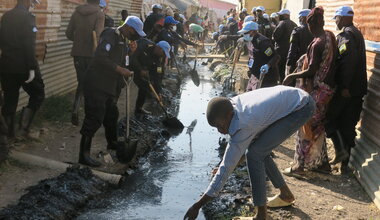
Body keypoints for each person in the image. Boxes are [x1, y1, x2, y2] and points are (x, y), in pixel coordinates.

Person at [184, 85, 316, 220]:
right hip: (292, 99)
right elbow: (235, 156)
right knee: (258, 150)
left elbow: (226, 168)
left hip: (301, 107)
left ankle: (261, 216)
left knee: (255, 154)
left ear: (229, 115)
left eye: (220, 126)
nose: (220, 131)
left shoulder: (244, 122)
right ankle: (286, 195)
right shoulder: (232, 107)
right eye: (216, 127)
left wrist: (198, 205)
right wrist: (229, 165)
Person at [79, 16, 145, 167]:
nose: (135, 36)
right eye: (135, 32)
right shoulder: (110, 34)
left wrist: (131, 52)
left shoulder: (123, 40)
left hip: (108, 85)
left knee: (111, 114)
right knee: (94, 117)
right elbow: (100, 57)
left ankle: (112, 142)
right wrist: (120, 69)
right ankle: (83, 155)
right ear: (128, 28)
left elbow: (123, 61)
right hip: (96, 83)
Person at [283, 6, 337, 175]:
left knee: (303, 126)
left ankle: (298, 166)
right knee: (318, 128)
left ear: (311, 24)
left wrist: (291, 75)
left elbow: (312, 70)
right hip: (327, 91)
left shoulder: (317, 43)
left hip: (316, 92)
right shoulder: (329, 36)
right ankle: (322, 164)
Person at [325, 6, 367, 172]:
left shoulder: (346, 35)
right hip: (357, 89)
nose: (335, 21)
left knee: (329, 119)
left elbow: (347, 63)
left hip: (347, 90)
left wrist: (344, 86)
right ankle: (344, 165)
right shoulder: (356, 33)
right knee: (347, 124)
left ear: (342, 18)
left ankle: (341, 153)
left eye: (336, 18)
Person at [0, 0, 45, 138]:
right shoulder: (28, 18)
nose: (32, 4)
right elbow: (28, 44)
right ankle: (23, 129)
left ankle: (7, 136)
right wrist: (32, 67)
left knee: (10, 99)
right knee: (38, 94)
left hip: (6, 66)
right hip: (24, 67)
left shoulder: (6, 16)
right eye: (32, 2)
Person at [66, 0, 105, 126]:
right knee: (91, 84)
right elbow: (99, 36)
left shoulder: (76, 12)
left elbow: (68, 33)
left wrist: (78, 40)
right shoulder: (99, 14)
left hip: (77, 53)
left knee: (81, 82)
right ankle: (89, 113)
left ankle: (75, 110)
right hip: (91, 55)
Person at [130, 40, 171, 115]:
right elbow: (134, 58)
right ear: (159, 48)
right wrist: (140, 70)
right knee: (144, 88)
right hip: (133, 66)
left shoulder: (160, 58)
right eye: (164, 52)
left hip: (147, 71)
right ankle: (139, 108)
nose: (164, 55)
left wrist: (159, 92)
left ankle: (139, 108)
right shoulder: (145, 46)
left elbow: (158, 76)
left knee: (145, 88)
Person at [239, 22, 280, 90]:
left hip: (266, 77)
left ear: (253, 32)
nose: (244, 35)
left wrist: (268, 65)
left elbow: (276, 56)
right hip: (254, 74)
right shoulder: (249, 40)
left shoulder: (263, 42)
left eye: (245, 33)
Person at [285, 9, 313, 77]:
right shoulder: (315, 30)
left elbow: (292, 50)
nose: (299, 20)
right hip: (311, 62)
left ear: (303, 18)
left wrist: (288, 64)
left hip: (298, 63)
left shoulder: (297, 31)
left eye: (300, 18)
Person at [273, 9, 297, 82]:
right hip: (291, 52)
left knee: (280, 71)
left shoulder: (282, 23)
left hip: (281, 51)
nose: (279, 16)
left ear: (286, 15)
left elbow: (275, 36)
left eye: (281, 15)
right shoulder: (294, 24)